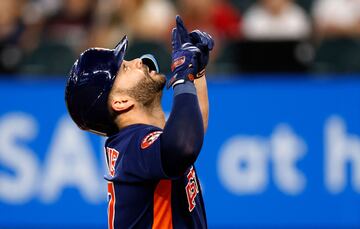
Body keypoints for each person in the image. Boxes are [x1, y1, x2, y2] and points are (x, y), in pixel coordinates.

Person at [65, 15, 214, 228]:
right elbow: (184, 145)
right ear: (120, 101)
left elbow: (193, 129)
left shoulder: (132, 142)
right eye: (124, 68)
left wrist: (196, 71)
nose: (137, 61)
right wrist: (183, 77)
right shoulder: (132, 144)